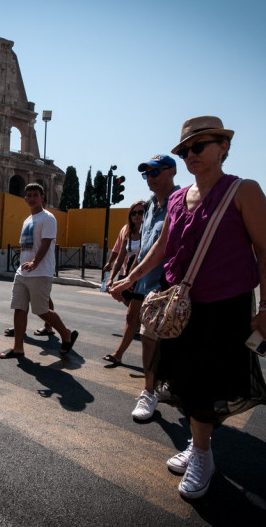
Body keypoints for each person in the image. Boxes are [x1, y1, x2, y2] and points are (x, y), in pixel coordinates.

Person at [111, 116, 266, 499]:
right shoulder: (176, 197)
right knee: (183, 381)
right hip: (180, 305)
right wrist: (130, 277)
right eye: (185, 149)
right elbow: (162, 249)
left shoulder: (243, 191)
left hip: (224, 306)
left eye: (199, 146)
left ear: (223, 147)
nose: (191, 154)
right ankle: (198, 444)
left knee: (204, 383)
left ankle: (202, 455)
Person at [108, 155, 180, 425]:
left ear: (172, 171)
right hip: (149, 285)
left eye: (156, 172)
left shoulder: (181, 201)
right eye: (146, 174)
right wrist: (130, 279)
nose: (150, 178)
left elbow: (164, 249)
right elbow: (146, 248)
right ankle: (148, 392)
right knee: (148, 338)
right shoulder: (150, 207)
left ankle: (170, 383)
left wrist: (128, 279)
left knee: (173, 342)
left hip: (173, 286)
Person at [0, 183, 78, 359]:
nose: (32, 198)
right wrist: (24, 264)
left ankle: (66, 334)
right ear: (25, 199)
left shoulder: (48, 218)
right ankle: (18, 348)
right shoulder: (28, 220)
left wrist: (35, 262)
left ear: (42, 197)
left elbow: (46, 242)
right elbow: (27, 246)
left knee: (41, 310)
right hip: (23, 272)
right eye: (29, 195)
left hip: (40, 271)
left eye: (36, 195)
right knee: (19, 308)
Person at [101, 200, 146, 364]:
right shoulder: (127, 231)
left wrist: (132, 278)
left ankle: (119, 353)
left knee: (133, 315)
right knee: (128, 307)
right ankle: (120, 353)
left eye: (140, 212)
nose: (137, 216)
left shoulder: (149, 230)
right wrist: (112, 276)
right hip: (129, 275)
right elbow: (119, 254)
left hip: (145, 278)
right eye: (133, 213)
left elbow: (144, 255)